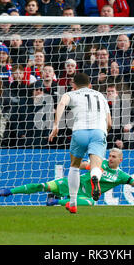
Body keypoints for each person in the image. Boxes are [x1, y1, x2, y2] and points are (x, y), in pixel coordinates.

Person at [0, 148, 134, 205]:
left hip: (87, 195)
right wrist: (79, 160)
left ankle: (57, 201)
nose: (110, 158)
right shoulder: (98, 163)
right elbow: (80, 165)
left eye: (113, 157)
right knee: (43, 186)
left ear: (120, 160)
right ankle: (10, 191)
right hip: (74, 182)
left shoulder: (121, 176)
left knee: (89, 203)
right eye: (109, 155)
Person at [48, 73, 112, 214]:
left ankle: (72, 203)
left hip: (79, 131)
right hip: (98, 131)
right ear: (90, 84)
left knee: (75, 166)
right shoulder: (101, 96)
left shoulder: (71, 94)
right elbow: (109, 122)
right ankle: (95, 177)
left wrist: (55, 125)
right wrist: (104, 133)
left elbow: (62, 104)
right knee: (96, 165)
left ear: (73, 84)